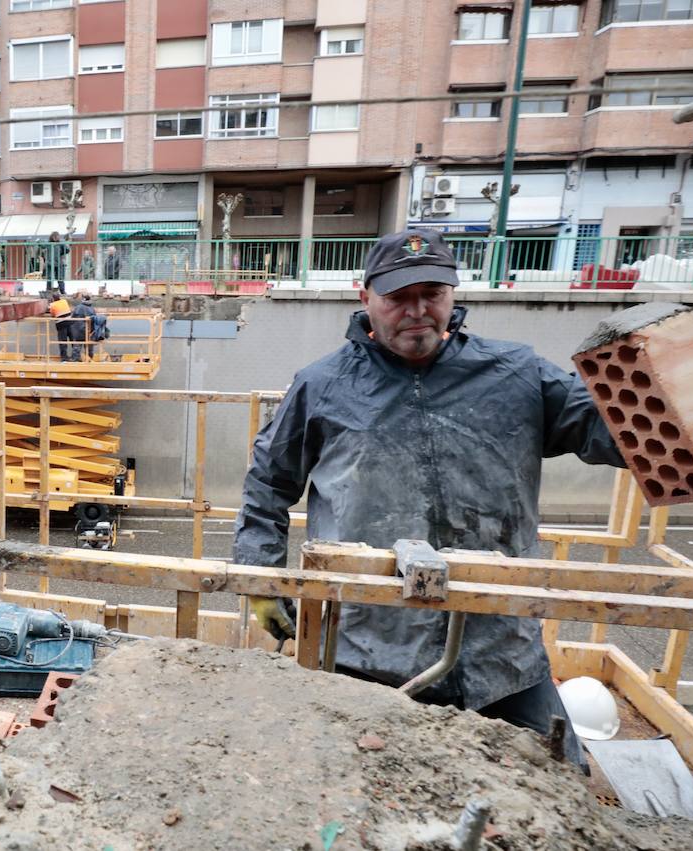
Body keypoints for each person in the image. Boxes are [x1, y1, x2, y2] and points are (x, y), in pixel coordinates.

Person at [232, 228, 625, 766]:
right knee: (356, 788)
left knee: (558, 781)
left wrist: (669, 410)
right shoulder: (322, 386)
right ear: (364, 296)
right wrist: (261, 579)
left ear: (453, 295)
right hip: (368, 650)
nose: (417, 310)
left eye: (432, 294)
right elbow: (269, 483)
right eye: (398, 297)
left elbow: (615, 433)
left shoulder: (516, 374)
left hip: (501, 649)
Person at [50, 295, 76, 361]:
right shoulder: (64, 301)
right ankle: (76, 356)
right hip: (70, 323)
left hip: (61, 325)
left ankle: (64, 358)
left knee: (63, 342)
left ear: (53, 299)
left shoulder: (52, 305)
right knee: (73, 340)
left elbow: (52, 314)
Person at [45, 231, 67, 296]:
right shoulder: (48, 243)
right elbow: (42, 245)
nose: (55, 238)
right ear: (52, 237)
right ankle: (48, 291)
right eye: (54, 236)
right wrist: (39, 241)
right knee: (49, 278)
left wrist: (63, 246)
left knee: (60, 278)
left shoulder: (60, 243)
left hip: (58, 263)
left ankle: (62, 291)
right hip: (50, 263)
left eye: (57, 237)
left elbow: (67, 250)